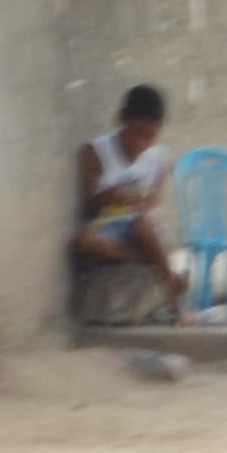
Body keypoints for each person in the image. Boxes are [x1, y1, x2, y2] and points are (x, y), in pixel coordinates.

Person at [73, 86, 187, 311]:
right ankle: (146, 260)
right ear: (122, 120)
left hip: (143, 230)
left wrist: (140, 206)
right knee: (83, 240)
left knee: (143, 224)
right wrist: (109, 198)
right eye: (135, 133)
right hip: (108, 226)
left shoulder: (158, 158)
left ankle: (177, 303)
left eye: (149, 137)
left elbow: (153, 205)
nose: (140, 144)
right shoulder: (96, 152)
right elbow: (89, 208)